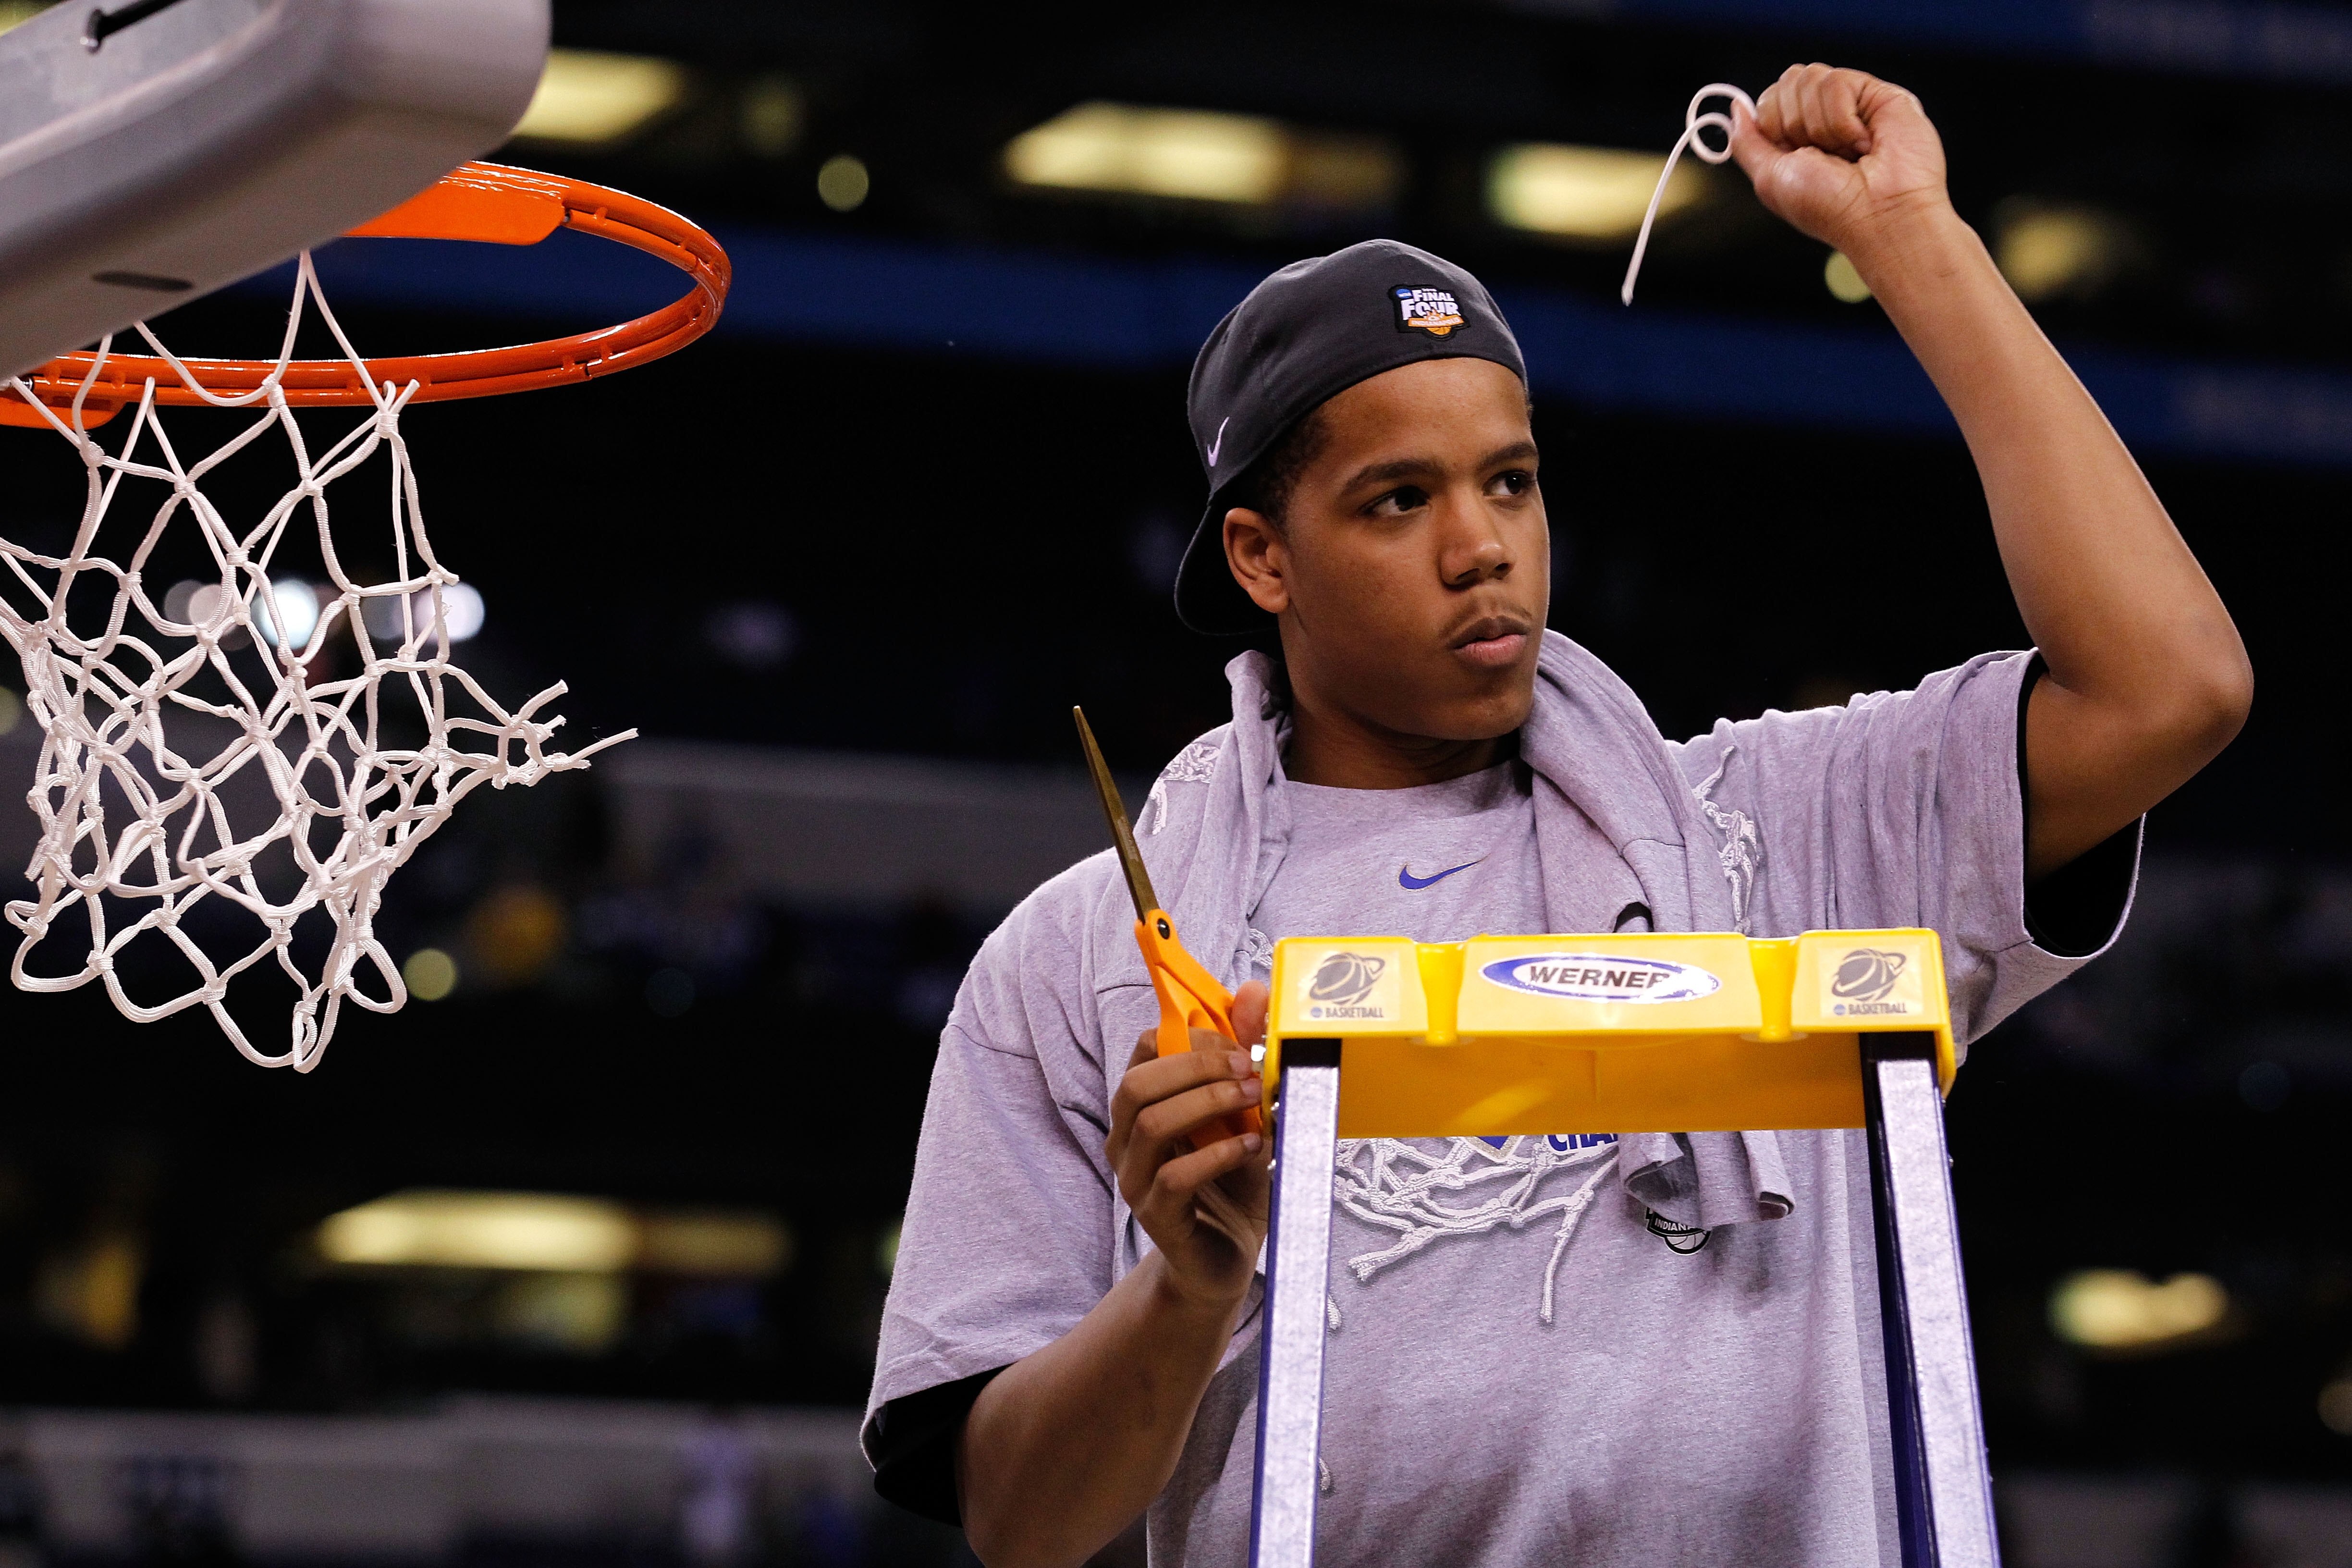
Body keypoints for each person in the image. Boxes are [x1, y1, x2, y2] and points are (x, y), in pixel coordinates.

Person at [862, 63, 2251, 1568]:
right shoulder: (1086, 962)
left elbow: (2172, 688)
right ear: (1262, 558)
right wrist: (1184, 1292)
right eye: (1399, 501)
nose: (1483, 550)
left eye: (1511, 482)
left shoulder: (1773, 829)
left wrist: (1908, 230)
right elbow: (1015, 1520)